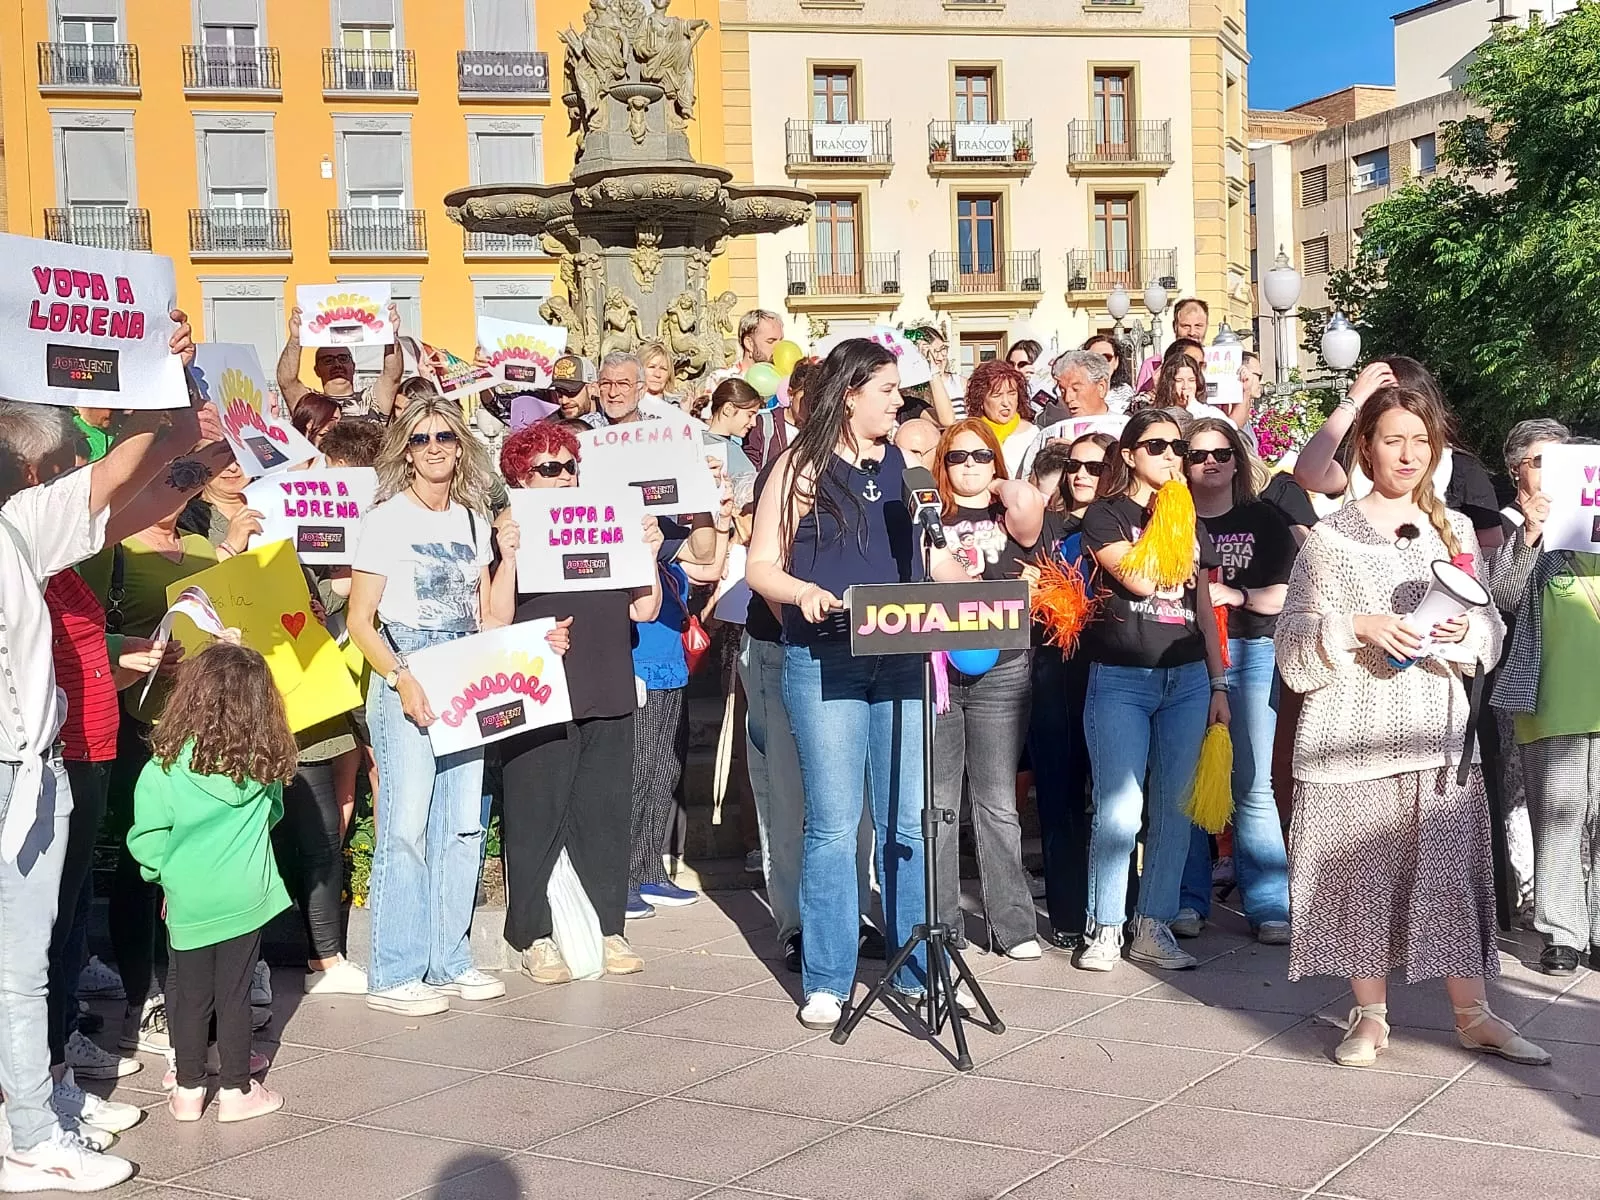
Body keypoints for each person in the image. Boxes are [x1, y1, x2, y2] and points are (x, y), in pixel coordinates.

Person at [1275, 386, 1548, 1068]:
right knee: (1358, 882)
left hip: (1438, 737)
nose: (1408, 454)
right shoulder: (1330, 539)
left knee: (1452, 882)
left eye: (1421, 441)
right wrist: (1357, 626)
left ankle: (1474, 1015)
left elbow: (1490, 631)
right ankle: (1369, 1017)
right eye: (1393, 439)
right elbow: (1292, 645)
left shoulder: (1454, 529)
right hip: (1349, 739)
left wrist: (1463, 634)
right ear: (1366, 448)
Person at [0, 309, 200, 1192]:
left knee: (26, 963)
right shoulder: (25, 521)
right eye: (57, 465)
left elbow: (149, 461)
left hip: (29, 768)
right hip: (23, 766)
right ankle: (29, 1129)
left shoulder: (23, 527)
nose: (68, 474)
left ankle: (31, 1123)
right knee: (17, 967)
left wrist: (163, 366)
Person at [746, 339, 969, 1029]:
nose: (898, 401)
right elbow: (761, 566)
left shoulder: (908, 467)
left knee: (908, 822)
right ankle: (828, 978)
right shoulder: (799, 466)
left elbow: (933, 559)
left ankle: (919, 970)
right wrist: (804, 593)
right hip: (825, 657)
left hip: (901, 656)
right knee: (835, 825)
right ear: (849, 394)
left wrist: (976, 583)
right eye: (886, 389)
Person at [347, 398, 515, 1016]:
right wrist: (400, 677)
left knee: (463, 825)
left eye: (444, 436)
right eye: (420, 439)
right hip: (408, 665)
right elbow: (359, 620)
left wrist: (510, 558)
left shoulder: (472, 520)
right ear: (406, 451)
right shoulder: (387, 519)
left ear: (461, 445)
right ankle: (395, 972)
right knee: (405, 827)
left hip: (464, 667)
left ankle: (450, 960)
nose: (434, 447)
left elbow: (491, 617)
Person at [495, 421, 655, 983]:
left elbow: (644, 610)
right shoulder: (506, 530)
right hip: (539, 691)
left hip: (607, 683)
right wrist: (508, 559)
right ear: (521, 476)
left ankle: (610, 927)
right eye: (549, 468)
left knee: (605, 816)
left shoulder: (607, 521)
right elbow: (493, 619)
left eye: (569, 466)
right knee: (535, 815)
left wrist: (649, 551)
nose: (564, 476)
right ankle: (532, 936)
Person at [1077, 410, 1230, 974]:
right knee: (1120, 809)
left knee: (1173, 809)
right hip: (1122, 675)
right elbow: (1140, 580)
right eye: (1157, 446)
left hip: (1187, 676)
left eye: (1178, 448)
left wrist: (1218, 681)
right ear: (1129, 455)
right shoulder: (1106, 513)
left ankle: (1153, 925)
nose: (1172, 456)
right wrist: (1172, 526)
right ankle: (1105, 926)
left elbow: (1203, 606)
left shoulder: (1188, 517)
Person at [128, 643, 295, 1123]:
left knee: (189, 993)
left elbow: (147, 838)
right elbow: (273, 816)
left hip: (188, 896)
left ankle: (187, 1088)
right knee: (236, 994)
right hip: (246, 893)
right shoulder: (263, 764)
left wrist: (164, 876)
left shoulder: (162, 768)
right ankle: (238, 1090)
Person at [930, 419, 1046, 958]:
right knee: (939, 801)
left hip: (1002, 669)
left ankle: (1013, 926)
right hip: (939, 670)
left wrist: (997, 481)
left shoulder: (1010, 512)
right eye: (957, 457)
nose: (970, 465)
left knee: (998, 800)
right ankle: (942, 923)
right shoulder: (929, 517)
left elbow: (1028, 500)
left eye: (981, 455)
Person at [1174, 418, 1292, 943]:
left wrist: (1238, 596)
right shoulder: (1170, 518)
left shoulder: (1263, 518)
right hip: (1183, 656)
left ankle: (1269, 904)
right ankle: (1187, 900)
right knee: (1185, 782)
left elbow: (1288, 594)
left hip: (1249, 651)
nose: (1211, 462)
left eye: (1221, 453)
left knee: (1253, 783)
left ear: (1237, 460)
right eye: (1198, 454)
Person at [1488, 421, 1598, 976]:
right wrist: (1531, 532)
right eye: (1540, 461)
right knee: (1558, 814)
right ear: (1518, 473)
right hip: (1551, 697)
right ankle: (1562, 932)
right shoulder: (1518, 530)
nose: (1552, 472)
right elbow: (1502, 594)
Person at [1027, 432, 1115, 949]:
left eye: (1095, 466)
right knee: (1058, 794)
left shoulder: (1126, 524)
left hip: (1112, 668)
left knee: (1113, 799)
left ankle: (1114, 911)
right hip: (1053, 668)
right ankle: (1065, 913)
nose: (1081, 475)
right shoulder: (1046, 525)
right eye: (1074, 465)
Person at [1291, 356, 1504, 552]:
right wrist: (1352, 401)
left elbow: (1490, 547)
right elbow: (1308, 474)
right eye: (1393, 441)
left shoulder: (1462, 468)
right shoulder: (1358, 461)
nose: (1407, 457)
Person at [276, 303, 403, 419]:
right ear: (317, 370)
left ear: (353, 366)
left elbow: (392, 376)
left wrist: (391, 335)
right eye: (328, 360)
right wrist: (296, 339)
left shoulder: (371, 401)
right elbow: (287, 381)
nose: (337, 364)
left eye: (343, 358)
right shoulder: (310, 404)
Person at [967, 360, 1039, 478]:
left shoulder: (1033, 434)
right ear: (980, 400)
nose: (1006, 402)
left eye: (1012, 393)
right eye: (997, 395)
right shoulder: (971, 435)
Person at [703, 377, 763, 484]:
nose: (754, 423)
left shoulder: (732, 447)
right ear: (728, 409)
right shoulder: (707, 446)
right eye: (750, 415)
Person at [1149, 353, 1230, 423]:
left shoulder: (1210, 412)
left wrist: (1193, 407)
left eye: (1191, 380)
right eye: (1179, 380)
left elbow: (1230, 427)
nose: (1186, 386)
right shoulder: (1158, 414)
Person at [549, 354, 605, 428]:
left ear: (593, 389)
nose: (564, 401)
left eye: (571, 392)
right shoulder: (550, 429)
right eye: (559, 393)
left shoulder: (614, 420)